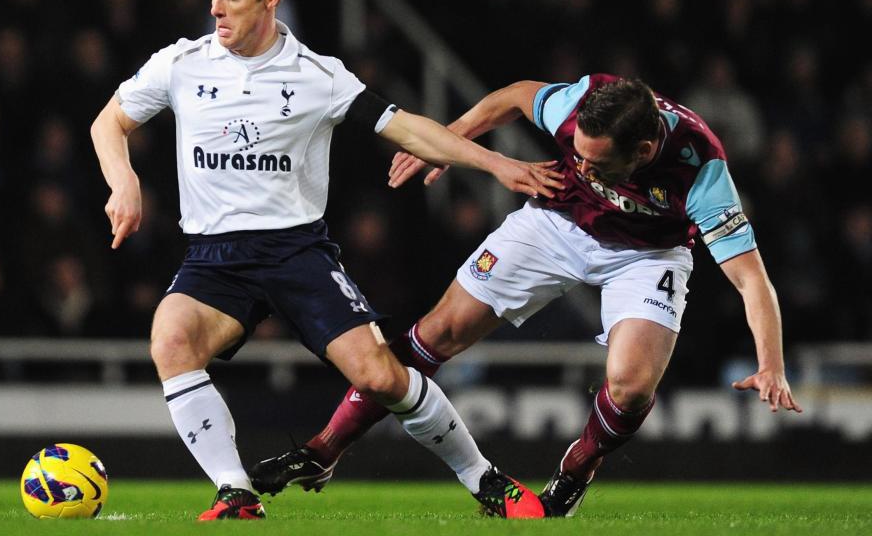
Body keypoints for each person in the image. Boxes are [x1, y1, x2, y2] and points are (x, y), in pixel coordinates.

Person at [90, 0, 557, 521]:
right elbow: (109, 123)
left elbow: (406, 126)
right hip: (215, 256)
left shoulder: (316, 75)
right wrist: (123, 182)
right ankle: (234, 492)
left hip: (296, 252)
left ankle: (483, 477)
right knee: (171, 341)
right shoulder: (181, 63)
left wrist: (496, 163)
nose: (214, 9)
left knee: (382, 376)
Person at [249, 74, 804, 517]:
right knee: (436, 332)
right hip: (556, 220)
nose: (583, 166)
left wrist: (771, 364)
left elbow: (752, 278)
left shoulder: (701, 169)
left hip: (648, 255)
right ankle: (322, 451)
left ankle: (577, 470)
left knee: (632, 388)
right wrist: (454, 138)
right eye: (578, 154)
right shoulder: (580, 104)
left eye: (597, 163)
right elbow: (517, 96)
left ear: (643, 150)